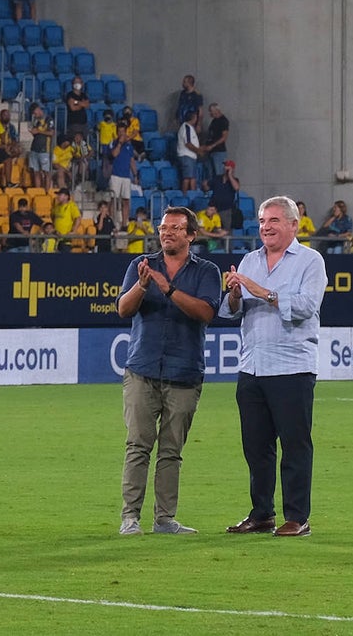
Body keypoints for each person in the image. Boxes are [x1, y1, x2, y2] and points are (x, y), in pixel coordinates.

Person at [221, 196, 327, 538]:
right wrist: (235, 293)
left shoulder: (311, 261)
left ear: (293, 225)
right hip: (252, 366)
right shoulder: (249, 260)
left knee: (295, 445)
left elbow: (307, 306)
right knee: (256, 447)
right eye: (263, 221)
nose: (265, 227)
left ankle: (298, 517)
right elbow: (232, 310)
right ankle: (262, 513)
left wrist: (261, 291)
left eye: (274, 221)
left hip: (292, 366)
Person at [117, 206, 221, 536]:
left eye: (176, 228)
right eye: (163, 228)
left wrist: (169, 289)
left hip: (184, 371)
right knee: (137, 446)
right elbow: (123, 309)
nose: (167, 233)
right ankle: (130, 517)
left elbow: (205, 312)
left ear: (191, 235)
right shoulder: (141, 266)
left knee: (171, 451)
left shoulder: (207, 271)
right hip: (142, 368)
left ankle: (164, 519)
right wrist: (143, 286)